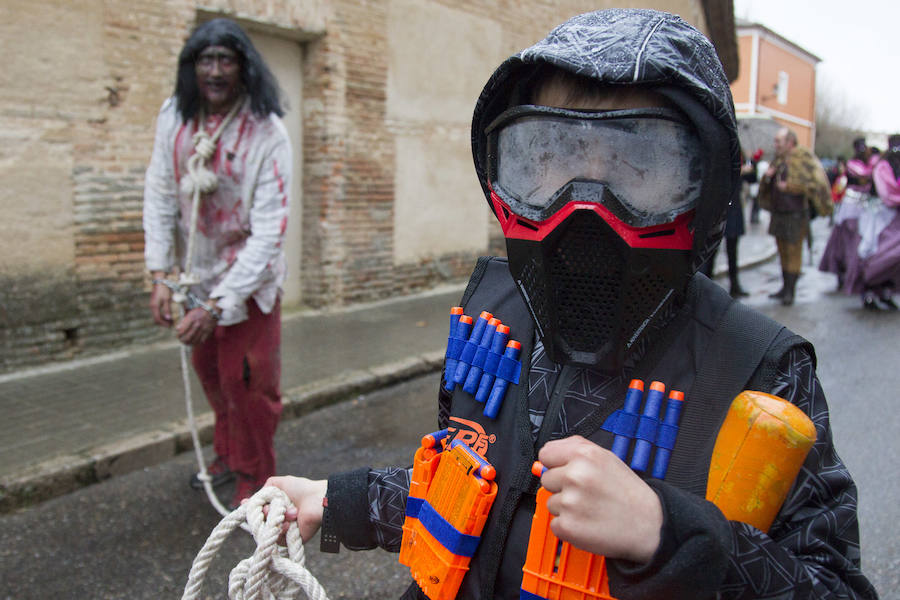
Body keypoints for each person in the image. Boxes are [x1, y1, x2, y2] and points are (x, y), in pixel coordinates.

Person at [268, 10, 876, 599]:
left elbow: (834, 585)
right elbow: (468, 496)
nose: (584, 206)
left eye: (638, 163)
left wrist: (669, 536)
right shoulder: (497, 314)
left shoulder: (760, 372)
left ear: (704, 183)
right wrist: (335, 499)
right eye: (551, 158)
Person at [143, 18, 291, 509]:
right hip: (194, 274)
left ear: (243, 67)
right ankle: (228, 455)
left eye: (225, 59)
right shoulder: (175, 117)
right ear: (192, 68)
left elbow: (270, 230)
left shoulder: (267, 133)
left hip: (250, 284)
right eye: (205, 60)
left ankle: (257, 475)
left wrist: (217, 303)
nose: (215, 71)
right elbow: (161, 193)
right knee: (212, 375)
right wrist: (160, 273)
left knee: (248, 382)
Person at [758, 127, 831, 305]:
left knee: (793, 252)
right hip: (779, 211)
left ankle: (790, 291)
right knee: (782, 249)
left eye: (779, 142)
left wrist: (790, 187)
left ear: (790, 142)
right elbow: (767, 185)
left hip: (796, 213)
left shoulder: (803, 158)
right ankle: (784, 288)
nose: (775, 145)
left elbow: (813, 183)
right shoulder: (777, 160)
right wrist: (767, 178)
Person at [844, 134, 900, 309]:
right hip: (880, 217)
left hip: (894, 218)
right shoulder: (883, 165)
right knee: (876, 253)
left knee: (893, 258)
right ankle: (868, 291)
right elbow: (889, 193)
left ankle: (885, 291)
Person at [820, 139, 876, 291]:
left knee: (860, 242)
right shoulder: (853, 164)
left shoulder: (869, 164)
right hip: (850, 208)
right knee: (846, 242)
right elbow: (863, 175)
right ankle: (844, 273)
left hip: (864, 208)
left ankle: (855, 274)